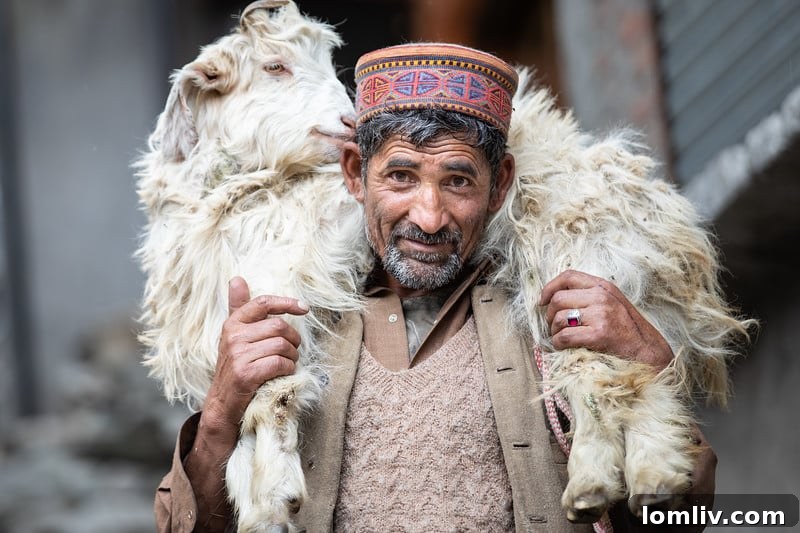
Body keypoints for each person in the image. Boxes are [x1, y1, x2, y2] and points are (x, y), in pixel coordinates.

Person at [154, 43, 716, 532]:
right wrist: (223, 409)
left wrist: (650, 365)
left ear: (500, 188)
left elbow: (682, 523)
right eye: (400, 176)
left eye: (457, 181)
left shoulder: (557, 315)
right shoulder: (295, 321)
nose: (427, 215)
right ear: (354, 173)